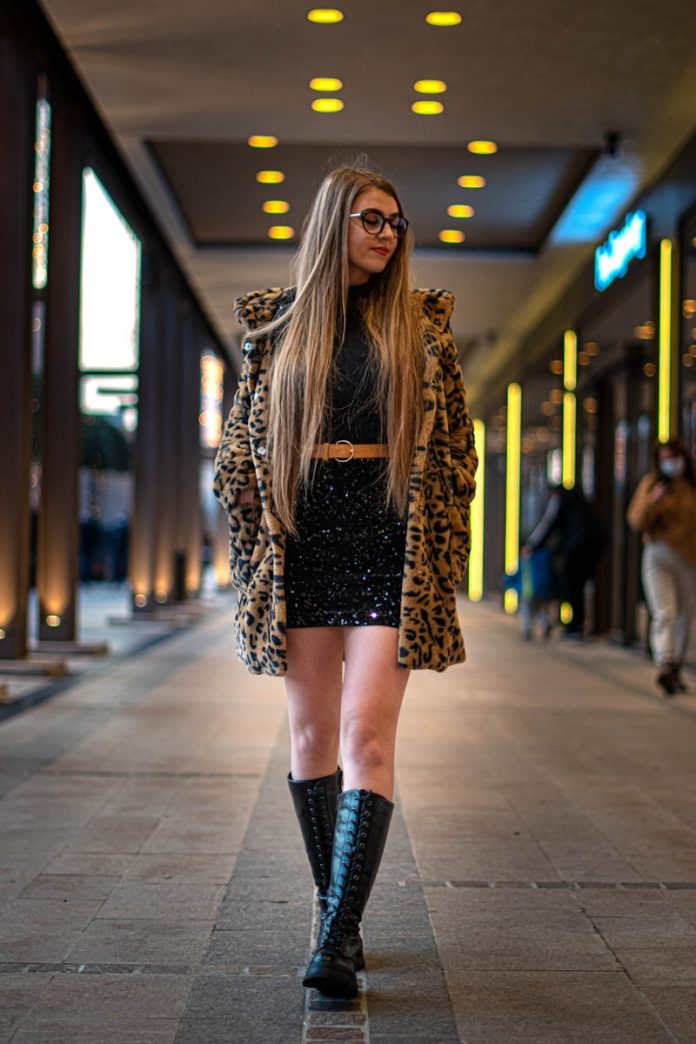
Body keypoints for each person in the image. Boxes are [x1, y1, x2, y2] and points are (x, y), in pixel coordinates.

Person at [213, 166, 477, 998]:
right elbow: (238, 447)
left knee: (367, 736)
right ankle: (337, 908)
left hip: (387, 538)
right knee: (310, 740)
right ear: (334, 223)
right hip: (303, 541)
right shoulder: (278, 331)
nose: (388, 233)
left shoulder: (422, 333)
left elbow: (461, 453)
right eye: (372, 219)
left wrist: (440, 538)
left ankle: (337, 936)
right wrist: (249, 504)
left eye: (398, 222)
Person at [627, 438, 696, 696]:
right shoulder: (652, 484)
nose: (671, 463)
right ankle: (665, 663)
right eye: (665, 458)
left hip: (689, 558)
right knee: (664, 611)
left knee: (684, 615)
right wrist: (654, 500)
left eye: (674, 457)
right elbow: (636, 520)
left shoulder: (691, 486)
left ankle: (676, 664)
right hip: (659, 553)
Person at [523, 483, 604, 639]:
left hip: (578, 544)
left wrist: (532, 545)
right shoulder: (577, 498)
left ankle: (574, 626)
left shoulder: (559, 499)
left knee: (573, 584)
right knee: (581, 584)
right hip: (595, 541)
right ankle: (579, 625)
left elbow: (548, 524)